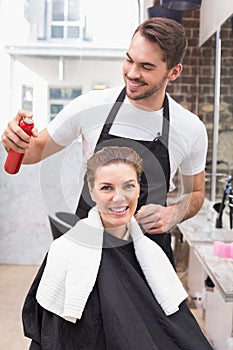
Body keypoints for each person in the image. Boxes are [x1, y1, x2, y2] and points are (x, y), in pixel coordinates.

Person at [1, 17, 208, 265]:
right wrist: (16, 140)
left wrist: (174, 213)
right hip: (87, 255)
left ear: (173, 72)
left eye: (146, 67)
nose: (132, 73)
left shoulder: (190, 128)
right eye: (129, 60)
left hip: (149, 261)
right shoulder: (91, 106)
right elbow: (34, 151)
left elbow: (195, 193)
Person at [22, 146, 213, 350]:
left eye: (128, 186)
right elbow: (55, 336)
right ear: (91, 190)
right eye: (107, 188)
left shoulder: (152, 255)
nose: (119, 198)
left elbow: (177, 329)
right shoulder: (66, 252)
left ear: (139, 188)